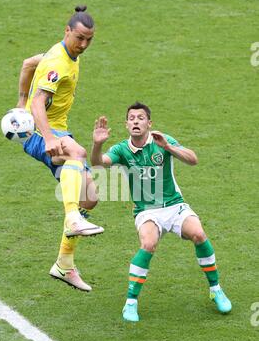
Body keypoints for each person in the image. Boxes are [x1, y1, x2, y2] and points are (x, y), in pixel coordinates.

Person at [91, 102, 232, 321]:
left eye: (140, 117)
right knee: (148, 244)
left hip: (174, 205)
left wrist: (168, 147)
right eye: (131, 118)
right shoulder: (121, 149)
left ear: (149, 123)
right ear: (126, 124)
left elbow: (193, 160)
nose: (136, 121)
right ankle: (130, 303)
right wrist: (97, 145)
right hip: (147, 211)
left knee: (199, 234)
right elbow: (99, 164)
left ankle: (216, 289)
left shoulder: (161, 140)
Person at [16, 5, 104, 292]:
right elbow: (39, 102)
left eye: (89, 39)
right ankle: (72, 218)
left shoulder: (64, 54)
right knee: (76, 153)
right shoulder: (58, 63)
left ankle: (64, 265)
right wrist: (48, 137)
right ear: (67, 31)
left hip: (55, 129)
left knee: (90, 197)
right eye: (79, 38)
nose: (84, 44)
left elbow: (29, 63)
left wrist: (19, 103)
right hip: (40, 133)